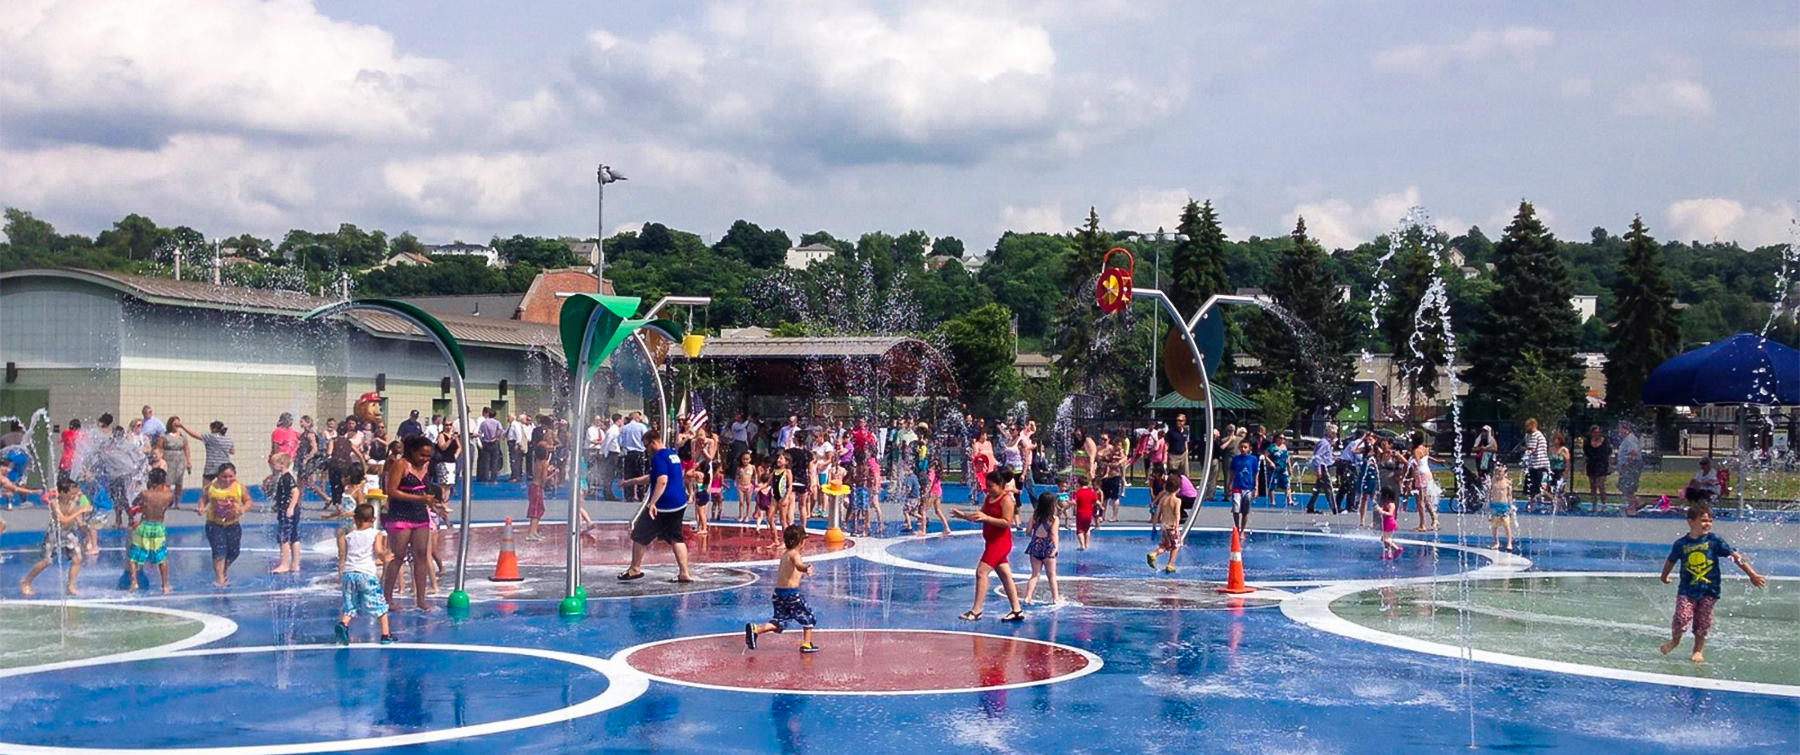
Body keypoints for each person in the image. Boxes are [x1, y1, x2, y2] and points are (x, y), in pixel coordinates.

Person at [1660, 504, 1765, 663]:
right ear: (1690, 522)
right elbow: (1670, 561)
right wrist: (1664, 576)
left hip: (1710, 590)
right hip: (1687, 590)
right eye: (1703, 521)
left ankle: (1698, 650)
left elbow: (1735, 556)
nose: (1707, 524)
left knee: (1703, 622)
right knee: (1682, 617)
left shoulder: (1714, 540)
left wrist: (1751, 573)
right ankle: (1675, 640)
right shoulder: (1681, 544)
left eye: (1710, 521)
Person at [618, 432, 695, 582]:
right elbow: (653, 478)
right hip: (678, 503)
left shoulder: (659, 457)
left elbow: (662, 480)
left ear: (653, 442)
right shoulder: (672, 455)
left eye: (646, 446)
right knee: (676, 537)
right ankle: (684, 573)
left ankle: (635, 569)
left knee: (639, 535)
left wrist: (652, 502)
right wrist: (630, 482)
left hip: (663, 505)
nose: (646, 450)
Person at [954, 467, 1024, 622]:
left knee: (981, 573)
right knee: (1006, 577)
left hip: (1000, 543)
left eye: (991, 486)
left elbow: (1006, 523)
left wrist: (987, 518)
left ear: (1001, 485)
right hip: (991, 542)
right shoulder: (989, 499)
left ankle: (976, 611)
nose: (988, 489)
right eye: (987, 486)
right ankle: (1017, 610)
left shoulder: (1006, 500)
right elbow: (980, 516)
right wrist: (964, 515)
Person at [382, 436, 440, 611]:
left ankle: (421, 600)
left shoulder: (426, 466)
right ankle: (387, 598)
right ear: (412, 451)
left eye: (428, 456)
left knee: (421, 556)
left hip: (420, 514)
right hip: (401, 514)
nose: (425, 459)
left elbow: (424, 489)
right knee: (398, 556)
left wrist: (432, 502)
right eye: (422, 455)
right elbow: (391, 491)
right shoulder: (401, 465)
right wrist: (420, 498)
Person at [744, 524, 820, 653]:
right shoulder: (795, 554)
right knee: (808, 616)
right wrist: (806, 568)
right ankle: (806, 644)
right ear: (801, 541)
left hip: (779, 593)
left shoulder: (785, 554)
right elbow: (798, 565)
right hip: (792, 594)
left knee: (780, 621)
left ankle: (756, 629)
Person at [335, 503, 397, 645]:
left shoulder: (350, 535)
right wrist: (385, 556)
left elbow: (344, 553)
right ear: (374, 519)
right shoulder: (376, 534)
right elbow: (378, 551)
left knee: (350, 605)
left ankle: (343, 624)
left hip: (349, 574)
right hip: (366, 574)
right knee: (380, 605)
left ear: (355, 519)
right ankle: (386, 635)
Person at [20, 477, 88, 596]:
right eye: (71, 493)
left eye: (75, 493)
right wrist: (80, 512)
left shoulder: (74, 502)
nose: (74, 495)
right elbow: (64, 520)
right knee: (47, 561)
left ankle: (71, 587)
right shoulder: (54, 503)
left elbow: (76, 518)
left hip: (69, 533)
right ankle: (26, 581)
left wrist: (82, 525)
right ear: (61, 492)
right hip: (55, 533)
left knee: (78, 559)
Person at [202, 463, 251, 587]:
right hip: (214, 523)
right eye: (224, 477)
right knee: (219, 551)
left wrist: (244, 508)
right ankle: (220, 580)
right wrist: (201, 507)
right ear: (218, 476)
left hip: (233, 524)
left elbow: (248, 501)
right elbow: (203, 499)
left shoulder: (240, 487)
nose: (227, 480)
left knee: (234, 551)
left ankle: (224, 569)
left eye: (230, 476)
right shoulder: (212, 487)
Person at [127, 467, 173, 593]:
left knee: (134, 556)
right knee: (161, 557)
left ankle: (134, 582)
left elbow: (135, 502)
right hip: (158, 527)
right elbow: (169, 505)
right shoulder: (168, 496)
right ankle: (165, 585)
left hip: (144, 526)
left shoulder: (145, 494)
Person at [1020, 492, 1061, 605]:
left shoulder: (1034, 516)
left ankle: (1028, 597)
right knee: (1052, 576)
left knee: (1035, 574)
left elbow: (1028, 532)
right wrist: (1056, 548)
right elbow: (1054, 534)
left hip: (1035, 547)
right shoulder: (1054, 519)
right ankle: (1055, 598)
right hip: (1048, 548)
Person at [268, 452, 303, 574]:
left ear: (282, 464)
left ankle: (284, 564)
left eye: (274, 464)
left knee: (284, 537)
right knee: (294, 536)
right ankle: (295, 564)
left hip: (288, 510)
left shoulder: (286, 477)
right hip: (290, 509)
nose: (272, 466)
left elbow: (296, 492)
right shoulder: (285, 477)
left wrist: (290, 508)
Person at [180, 420, 235, 488]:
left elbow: (195, 435)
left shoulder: (211, 437)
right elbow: (232, 451)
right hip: (225, 466)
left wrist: (182, 427)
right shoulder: (228, 439)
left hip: (212, 466)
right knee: (224, 487)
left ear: (214, 429)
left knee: (206, 487)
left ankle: (207, 498)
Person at [1146, 476, 1183, 573]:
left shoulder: (1163, 499)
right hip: (1172, 526)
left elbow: (1157, 513)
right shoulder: (1177, 501)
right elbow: (1177, 514)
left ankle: (1154, 554)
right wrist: (1177, 526)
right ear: (1179, 488)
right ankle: (1170, 565)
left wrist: (1154, 526)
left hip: (1164, 526)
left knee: (1165, 545)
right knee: (1176, 546)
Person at [526, 416, 552, 541]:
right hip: (538, 488)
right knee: (536, 511)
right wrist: (553, 474)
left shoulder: (537, 462)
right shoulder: (544, 463)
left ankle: (534, 531)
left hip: (533, 487)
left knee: (537, 510)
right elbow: (544, 479)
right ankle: (531, 533)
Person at [159, 416, 192, 510]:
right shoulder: (164, 435)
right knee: (167, 482)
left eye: (178, 423)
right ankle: (166, 501)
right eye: (175, 423)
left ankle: (177, 501)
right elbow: (160, 447)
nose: (177, 425)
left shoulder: (182, 435)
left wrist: (189, 461)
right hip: (168, 459)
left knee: (179, 482)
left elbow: (186, 448)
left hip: (180, 459)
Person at [1229, 440, 1259, 533]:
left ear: (1249, 448)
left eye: (1245, 447)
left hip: (1248, 487)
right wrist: (1229, 483)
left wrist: (1256, 487)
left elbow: (1255, 473)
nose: (1243, 449)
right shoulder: (1236, 459)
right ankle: (1237, 527)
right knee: (1236, 508)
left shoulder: (1253, 459)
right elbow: (1232, 472)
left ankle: (1242, 530)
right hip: (1237, 486)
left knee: (1245, 510)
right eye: (1241, 447)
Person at [1520, 418, 1550, 507]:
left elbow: (1532, 449)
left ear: (1533, 425)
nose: (1526, 428)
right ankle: (1531, 504)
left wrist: (1523, 449)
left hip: (1539, 465)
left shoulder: (1536, 435)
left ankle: (1555, 501)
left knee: (1538, 488)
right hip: (1532, 465)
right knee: (1530, 488)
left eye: (1527, 426)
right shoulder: (1528, 435)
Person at [1411, 444, 1440, 532]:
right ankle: (1434, 519)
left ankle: (1422, 524)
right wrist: (1436, 460)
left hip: (1421, 475)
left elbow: (1417, 464)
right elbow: (1427, 457)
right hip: (1427, 473)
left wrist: (1413, 477)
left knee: (1420, 501)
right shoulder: (1424, 448)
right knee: (1426, 499)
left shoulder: (1416, 451)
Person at [1617, 423, 1645, 514]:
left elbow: (1634, 451)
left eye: (1620, 429)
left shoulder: (1630, 439)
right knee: (1625, 485)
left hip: (1631, 466)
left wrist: (1627, 464)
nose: (1619, 431)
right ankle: (1633, 505)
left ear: (1626, 429)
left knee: (1625, 485)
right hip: (1630, 466)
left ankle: (1636, 502)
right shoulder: (1628, 439)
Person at [1488, 463, 1516, 552]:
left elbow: (1510, 495)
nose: (1498, 473)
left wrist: (1511, 506)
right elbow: (1488, 494)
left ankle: (1509, 543)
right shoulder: (1492, 481)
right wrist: (1487, 505)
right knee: (1494, 526)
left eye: (1500, 471)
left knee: (1507, 525)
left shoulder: (1508, 482)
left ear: (1504, 472)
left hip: (1504, 505)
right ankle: (1496, 542)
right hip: (1494, 505)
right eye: (1496, 471)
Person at [1583, 425, 1611, 511]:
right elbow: (1586, 454)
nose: (1597, 434)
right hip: (1592, 464)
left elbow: (1609, 454)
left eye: (1598, 432)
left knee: (1600, 485)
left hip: (1602, 465)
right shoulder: (1588, 442)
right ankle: (1594, 505)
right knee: (1593, 486)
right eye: (1595, 432)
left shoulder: (1605, 442)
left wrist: (1610, 465)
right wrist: (1582, 465)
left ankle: (1604, 504)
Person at [1265, 433, 1292, 508]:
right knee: (1273, 485)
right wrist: (1271, 463)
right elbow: (1266, 456)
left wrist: (1289, 467)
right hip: (1274, 469)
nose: (1282, 440)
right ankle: (1273, 500)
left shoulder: (1284, 447)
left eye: (1283, 438)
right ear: (1276, 438)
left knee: (1287, 483)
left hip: (1283, 469)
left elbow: (1287, 458)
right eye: (1280, 438)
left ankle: (1289, 500)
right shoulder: (1272, 447)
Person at [1376, 488, 1402, 560]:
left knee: (1384, 539)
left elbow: (1390, 514)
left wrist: (1382, 512)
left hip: (1389, 522)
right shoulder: (1387, 504)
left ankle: (1397, 548)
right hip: (1387, 522)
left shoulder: (1391, 504)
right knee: (1387, 538)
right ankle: (1387, 553)